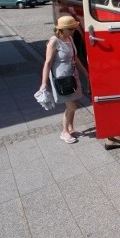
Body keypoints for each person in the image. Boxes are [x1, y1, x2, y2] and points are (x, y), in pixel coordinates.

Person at [40, 16, 89, 144]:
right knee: (71, 106)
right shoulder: (54, 41)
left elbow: (75, 58)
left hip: (73, 76)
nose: (73, 30)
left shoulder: (70, 38)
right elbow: (48, 63)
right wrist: (44, 83)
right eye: (71, 29)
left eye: (74, 28)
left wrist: (85, 73)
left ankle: (71, 128)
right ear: (62, 29)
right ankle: (64, 131)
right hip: (62, 79)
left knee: (74, 104)